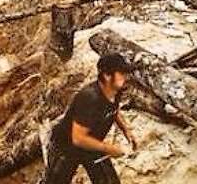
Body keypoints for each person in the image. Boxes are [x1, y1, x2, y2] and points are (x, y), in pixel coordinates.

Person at [44, 53, 138, 184]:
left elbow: (113, 109)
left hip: (92, 144)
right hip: (66, 147)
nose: (126, 77)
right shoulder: (90, 98)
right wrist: (109, 149)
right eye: (122, 73)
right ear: (107, 75)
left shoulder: (114, 90)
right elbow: (78, 138)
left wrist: (126, 130)